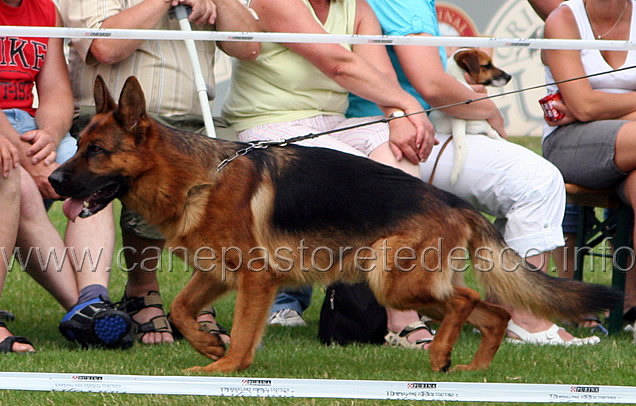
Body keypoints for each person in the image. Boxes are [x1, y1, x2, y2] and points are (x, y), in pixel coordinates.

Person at [347, 0, 601, 346]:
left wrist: (467, 97)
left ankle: (502, 309)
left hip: (410, 127)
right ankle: (526, 317)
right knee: (538, 182)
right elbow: (431, 85)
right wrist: (487, 107)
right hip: (397, 133)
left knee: (535, 181)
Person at [221, 0, 437, 345]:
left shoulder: (360, 8)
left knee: (400, 151)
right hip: (273, 126)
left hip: (334, 124)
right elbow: (338, 64)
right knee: (372, 180)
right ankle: (402, 315)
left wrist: (397, 117)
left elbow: (380, 76)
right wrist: (409, 106)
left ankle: (400, 299)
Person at [59, 0, 261, 345]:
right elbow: (106, 47)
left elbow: (249, 46)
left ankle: (202, 297)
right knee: (155, 169)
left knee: (238, 181)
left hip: (196, 123)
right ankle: (143, 293)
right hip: (116, 126)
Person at [0, 0, 134, 351]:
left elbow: (57, 91)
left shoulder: (45, 9)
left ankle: (90, 301)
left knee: (93, 177)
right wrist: (26, 154)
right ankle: (88, 313)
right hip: (5, 132)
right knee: (16, 182)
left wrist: (50, 134)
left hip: (29, 127)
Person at [541, 0, 636, 342]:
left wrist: (597, 108)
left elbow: (587, 105)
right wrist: (588, 108)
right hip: (570, 143)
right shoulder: (564, 18)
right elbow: (582, 106)